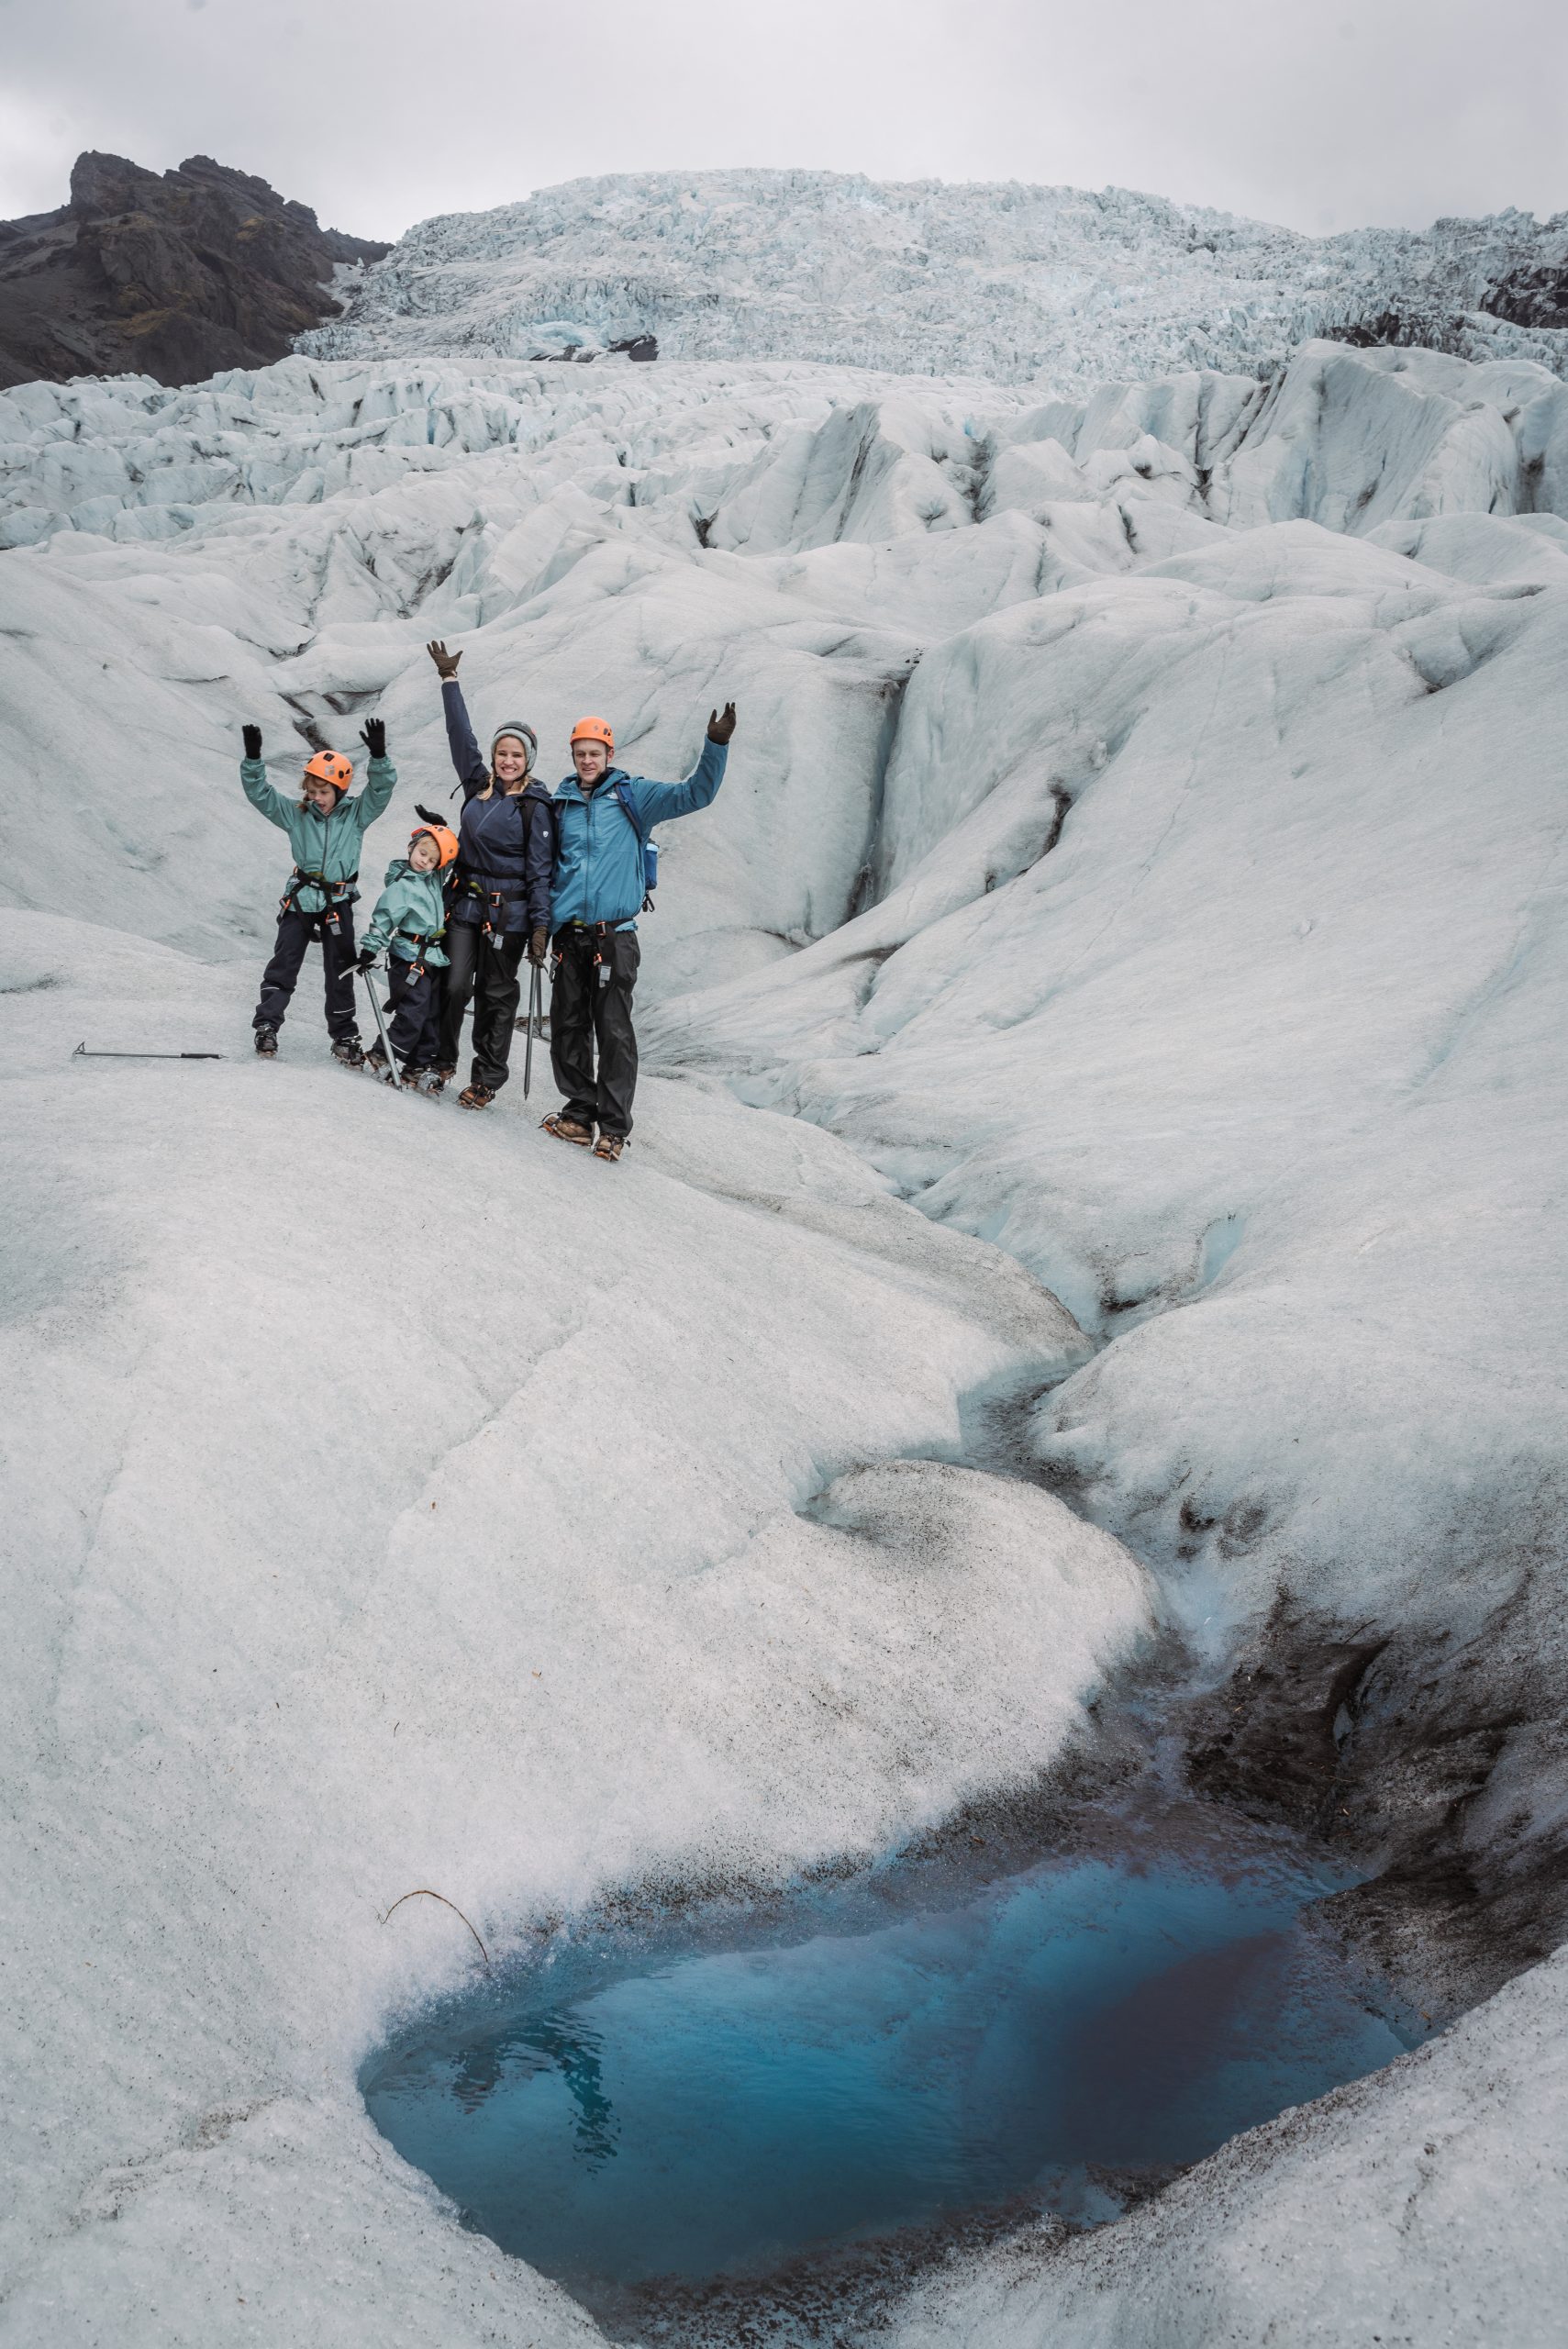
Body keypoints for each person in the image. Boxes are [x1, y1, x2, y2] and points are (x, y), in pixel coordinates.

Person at [542, 701, 737, 1162]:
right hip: (569, 936)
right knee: (569, 1027)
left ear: (609, 754)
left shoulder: (635, 795)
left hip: (615, 937)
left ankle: (612, 1126)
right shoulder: (560, 805)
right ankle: (577, 1113)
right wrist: (542, 931)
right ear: (573, 757)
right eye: (580, 753)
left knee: (613, 1031)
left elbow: (696, 794)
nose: (587, 761)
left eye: (595, 753)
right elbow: (549, 871)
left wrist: (717, 745)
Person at [425, 640, 555, 1110]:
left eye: (516, 755)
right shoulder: (478, 784)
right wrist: (449, 680)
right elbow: (461, 736)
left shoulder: (535, 806)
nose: (506, 760)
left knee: (496, 996)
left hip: (510, 915)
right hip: (465, 903)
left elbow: (541, 872)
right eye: (502, 752)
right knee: (455, 984)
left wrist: (541, 925)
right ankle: (440, 1059)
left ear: (529, 760)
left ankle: (486, 1078)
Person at [241, 719, 395, 1061]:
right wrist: (253, 759)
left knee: (339, 971)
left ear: (339, 791)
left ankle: (344, 1035)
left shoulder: (356, 815)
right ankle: (267, 1025)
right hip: (300, 900)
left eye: (324, 792)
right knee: (284, 965)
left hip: (337, 902)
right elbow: (261, 795)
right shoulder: (297, 815)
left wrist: (379, 756)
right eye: (312, 791)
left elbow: (380, 791)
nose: (317, 798)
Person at [354, 817, 459, 1085]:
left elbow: (449, 863)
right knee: (413, 1011)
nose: (424, 861)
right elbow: (383, 918)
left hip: (430, 957)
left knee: (431, 1013)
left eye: (432, 859)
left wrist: (444, 832)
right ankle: (381, 1052)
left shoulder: (431, 879)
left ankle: (419, 1063)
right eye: (422, 853)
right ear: (411, 848)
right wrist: (370, 948)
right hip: (408, 956)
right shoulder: (404, 885)